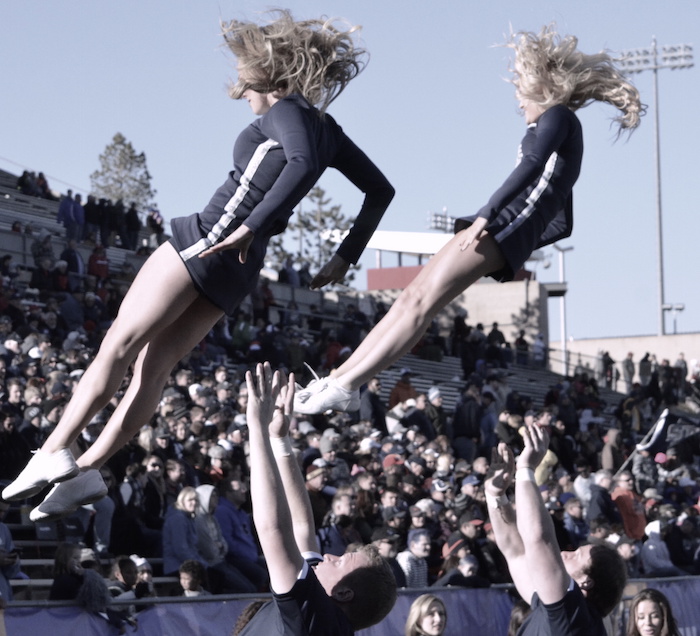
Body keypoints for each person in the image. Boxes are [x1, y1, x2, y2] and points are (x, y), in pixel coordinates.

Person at [2, 10, 393, 521]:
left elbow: (297, 164)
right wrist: (347, 253)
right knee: (153, 370)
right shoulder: (327, 129)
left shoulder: (286, 111)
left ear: (265, 71)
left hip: (208, 239)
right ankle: (90, 469)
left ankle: (56, 447)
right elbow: (380, 191)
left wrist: (251, 223)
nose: (241, 89)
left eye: (244, 75)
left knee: (119, 345)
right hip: (238, 269)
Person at [294, 24, 642, 414]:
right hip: (505, 231)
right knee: (410, 298)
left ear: (543, 86)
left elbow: (530, 166)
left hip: (499, 227)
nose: (517, 98)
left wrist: (489, 221)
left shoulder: (558, 117)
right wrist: (520, 242)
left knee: (419, 303)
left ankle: (344, 384)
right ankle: (341, 380)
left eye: (520, 88)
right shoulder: (561, 128)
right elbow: (563, 224)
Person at [237, 363, 396, 634]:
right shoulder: (326, 609)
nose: (329, 556)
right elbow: (302, 527)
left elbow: (273, 530)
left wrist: (257, 428)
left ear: (344, 594)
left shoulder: (318, 618)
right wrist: (280, 439)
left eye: (341, 562)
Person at [484, 423, 628, 635]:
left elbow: (538, 539)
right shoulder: (558, 611)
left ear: (585, 583)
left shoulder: (573, 615)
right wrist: (496, 495)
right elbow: (516, 553)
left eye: (577, 555)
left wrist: (526, 470)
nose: (565, 553)